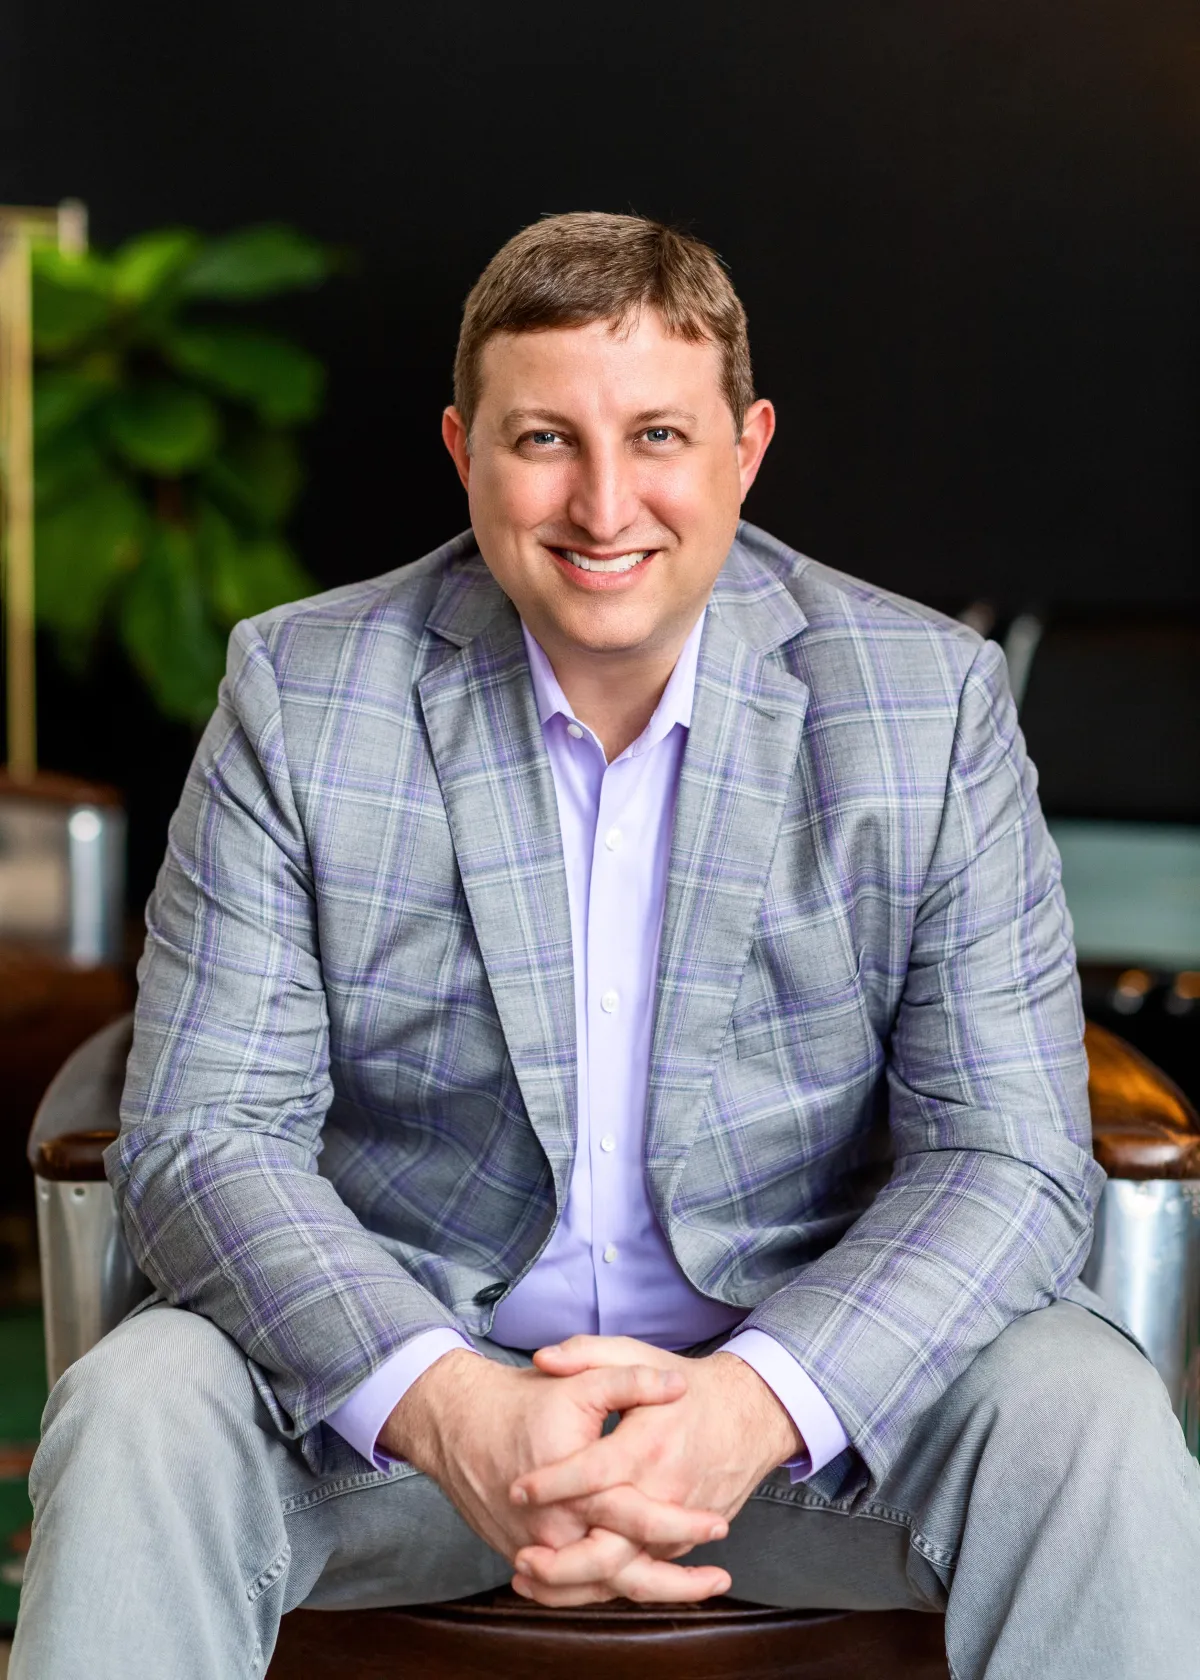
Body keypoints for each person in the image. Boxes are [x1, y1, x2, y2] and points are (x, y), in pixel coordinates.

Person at [12, 213, 1200, 1680]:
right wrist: (454, 1408)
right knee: (140, 1409)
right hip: (401, 1412)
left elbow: (1008, 1156)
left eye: (657, 436)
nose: (602, 502)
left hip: (812, 1417)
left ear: (746, 450)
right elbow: (208, 1138)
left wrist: (754, 1404)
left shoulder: (926, 704)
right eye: (543, 440)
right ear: (463, 453)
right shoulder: (301, 694)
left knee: (1086, 1417)